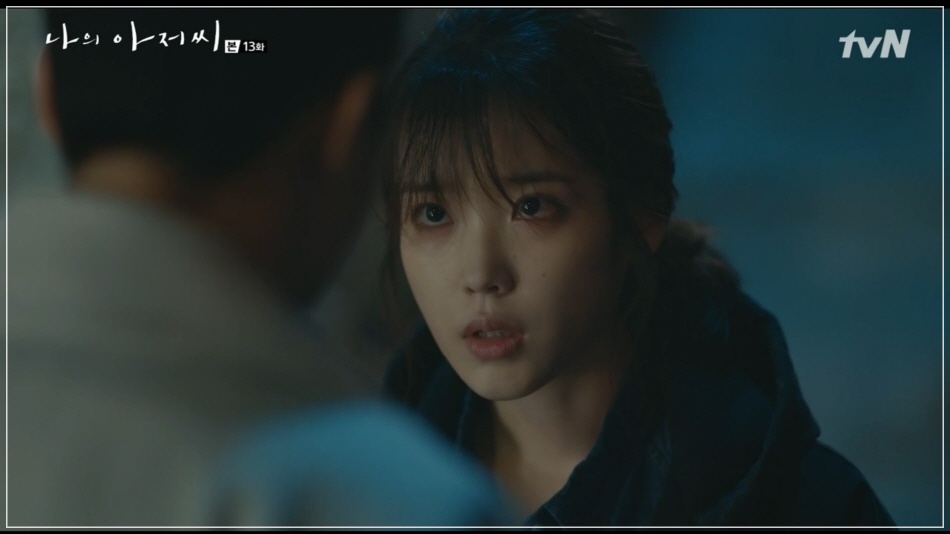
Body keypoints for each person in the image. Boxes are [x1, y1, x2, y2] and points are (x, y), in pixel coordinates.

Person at [382, 8, 895, 526]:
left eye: (532, 207)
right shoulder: (361, 488)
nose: (481, 274)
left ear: (641, 216)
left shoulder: (809, 505)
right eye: (434, 214)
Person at [8, 8, 511, 527]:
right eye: (433, 212)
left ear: (46, 97)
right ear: (347, 126)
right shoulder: (399, 502)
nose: (482, 272)